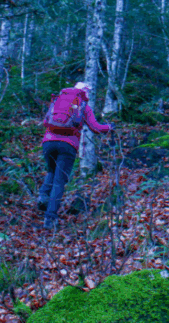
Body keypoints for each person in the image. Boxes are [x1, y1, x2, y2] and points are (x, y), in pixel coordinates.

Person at [37, 82, 112, 230]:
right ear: (84, 92)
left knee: (51, 171)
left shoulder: (58, 100)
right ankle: (50, 219)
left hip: (48, 142)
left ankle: (43, 196)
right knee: (59, 181)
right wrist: (110, 127)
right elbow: (96, 128)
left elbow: (46, 121)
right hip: (67, 145)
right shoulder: (83, 105)